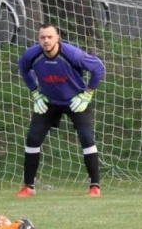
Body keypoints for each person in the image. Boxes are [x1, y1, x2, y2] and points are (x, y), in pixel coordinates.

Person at [16, 25, 106, 197]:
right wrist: (35, 93)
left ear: (57, 38)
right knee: (33, 138)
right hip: (49, 101)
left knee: (87, 137)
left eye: (50, 37)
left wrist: (87, 94)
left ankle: (95, 187)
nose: (46, 41)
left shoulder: (73, 54)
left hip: (76, 100)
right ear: (38, 38)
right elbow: (23, 68)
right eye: (42, 37)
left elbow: (98, 69)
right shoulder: (32, 54)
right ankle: (28, 187)